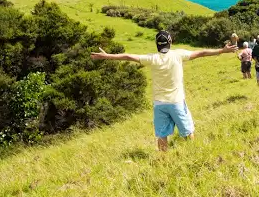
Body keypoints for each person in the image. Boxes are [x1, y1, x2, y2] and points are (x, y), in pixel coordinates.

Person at [91, 30, 236, 151]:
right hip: (176, 102)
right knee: (187, 132)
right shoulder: (178, 55)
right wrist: (222, 51)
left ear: (157, 44)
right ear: (170, 42)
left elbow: (128, 56)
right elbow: (202, 53)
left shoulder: (151, 58)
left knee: (162, 135)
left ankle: (163, 161)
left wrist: (107, 56)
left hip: (159, 104)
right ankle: (193, 154)